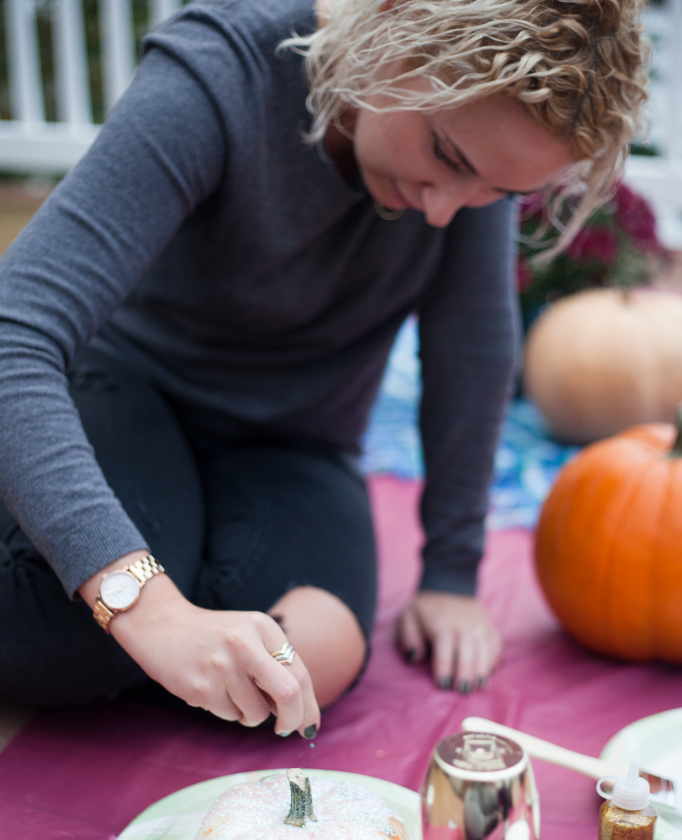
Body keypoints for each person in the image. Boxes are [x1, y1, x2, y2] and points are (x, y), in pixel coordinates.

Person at [0, 0, 646, 736]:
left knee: (309, 656)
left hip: (294, 446)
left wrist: (451, 573)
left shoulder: (472, 160)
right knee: (93, 624)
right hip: (126, 389)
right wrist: (144, 606)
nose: (446, 212)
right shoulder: (222, 71)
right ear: (392, 24)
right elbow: (15, 331)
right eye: (447, 157)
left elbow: (473, 348)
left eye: (495, 195)